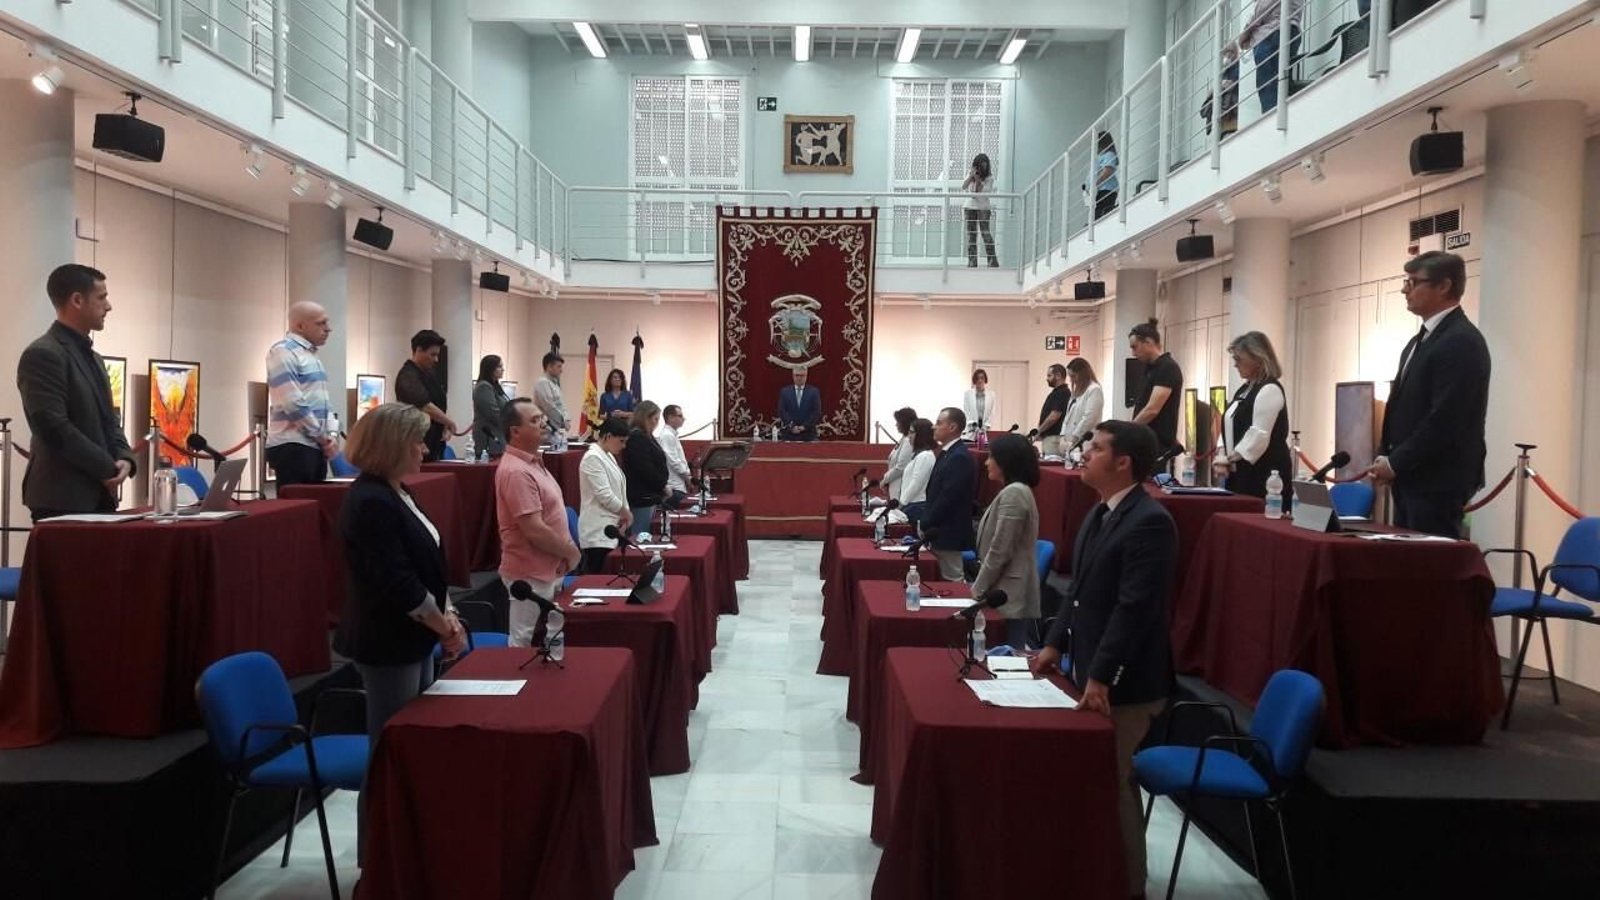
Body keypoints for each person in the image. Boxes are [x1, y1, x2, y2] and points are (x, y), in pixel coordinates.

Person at [1032, 421, 1177, 897]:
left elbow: (1134, 610)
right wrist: (1054, 643)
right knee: (1092, 780)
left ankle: (1127, 885)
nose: (1084, 455)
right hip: (1087, 667)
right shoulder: (1100, 513)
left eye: (1094, 449)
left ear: (1123, 463)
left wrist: (1101, 677)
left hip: (1126, 682)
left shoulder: (1150, 521)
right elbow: (1076, 593)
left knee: (1112, 783)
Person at [333, 403, 465, 866]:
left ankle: (408, 843)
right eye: (416, 440)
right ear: (391, 444)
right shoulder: (369, 500)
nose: (425, 447)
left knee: (411, 743)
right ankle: (379, 858)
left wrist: (447, 617)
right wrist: (441, 623)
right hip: (388, 640)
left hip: (416, 635)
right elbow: (396, 580)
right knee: (390, 748)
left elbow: (428, 567)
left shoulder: (399, 492)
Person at [1371, 251, 1490, 538]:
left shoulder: (1461, 340)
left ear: (1443, 286)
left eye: (1413, 282)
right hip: (1412, 477)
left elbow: (1445, 419)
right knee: (1410, 570)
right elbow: (1402, 407)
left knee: (1429, 573)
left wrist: (1396, 462)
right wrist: (1387, 457)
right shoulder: (1420, 340)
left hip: (1438, 481)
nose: (1404, 289)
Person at [17, 264, 137, 520]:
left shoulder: (95, 359)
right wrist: (107, 467)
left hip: (99, 496)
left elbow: (110, 419)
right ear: (77, 300)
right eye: (102, 297)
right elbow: (52, 426)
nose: (109, 306)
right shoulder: (43, 354)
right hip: (61, 498)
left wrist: (125, 457)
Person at [495, 398, 581, 647]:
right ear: (515, 432)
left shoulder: (532, 463)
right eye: (534, 420)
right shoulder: (516, 471)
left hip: (548, 567)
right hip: (529, 571)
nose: (544, 423)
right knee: (523, 641)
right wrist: (571, 552)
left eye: (541, 417)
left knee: (548, 639)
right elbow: (534, 530)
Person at [971, 434, 1042, 650]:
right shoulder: (1013, 490)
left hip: (1009, 590)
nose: (986, 462)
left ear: (1007, 461)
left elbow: (1000, 549)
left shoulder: (1015, 493)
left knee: (1009, 656)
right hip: (1003, 586)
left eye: (991, 457)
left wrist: (978, 588)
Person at [264, 301, 335, 487]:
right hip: (293, 446)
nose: (328, 329)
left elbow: (323, 401)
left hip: (313, 445)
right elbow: (293, 403)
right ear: (300, 326)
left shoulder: (311, 355)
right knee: (299, 508)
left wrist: (331, 435)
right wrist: (322, 437)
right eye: (321, 323)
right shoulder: (283, 352)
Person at [1215, 331, 1292, 501]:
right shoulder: (1244, 390)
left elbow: (1258, 436)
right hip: (1239, 471)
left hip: (1263, 475)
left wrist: (1228, 459)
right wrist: (1221, 456)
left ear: (1257, 359)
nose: (1235, 365)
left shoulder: (1269, 389)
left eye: (1239, 359)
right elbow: (1227, 427)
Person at [922, 407, 975, 581]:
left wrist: (928, 521)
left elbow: (948, 497)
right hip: (938, 529)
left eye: (938, 423)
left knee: (953, 580)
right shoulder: (947, 453)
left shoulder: (959, 456)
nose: (934, 427)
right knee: (940, 579)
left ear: (952, 427)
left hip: (948, 531)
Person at [1229, 0, 1306, 116]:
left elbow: (1264, 7)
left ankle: (1271, 119)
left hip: (1273, 33)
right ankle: (1276, 117)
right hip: (1287, 30)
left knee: (1267, 83)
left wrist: (1247, 30)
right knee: (1279, 81)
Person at [394, 329, 459, 462]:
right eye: (432, 354)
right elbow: (425, 405)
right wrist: (448, 421)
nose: (436, 359)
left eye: (437, 355)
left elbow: (438, 403)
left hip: (435, 441)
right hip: (417, 443)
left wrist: (444, 423)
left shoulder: (429, 373)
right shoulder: (408, 376)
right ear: (418, 350)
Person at [577, 417, 632, 573]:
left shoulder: (607, 455)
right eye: (621, 441)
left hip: (611, 527)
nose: (624, 446)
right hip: (597, 532)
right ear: (608, 436)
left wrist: (623, 516)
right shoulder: (593, 457)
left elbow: (619, 490)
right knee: (596, 581)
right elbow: (605, 495)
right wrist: (626, 513)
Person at [1130, 319, 1183, 459]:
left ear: (1148, 343)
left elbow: (1152, 409)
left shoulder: (1167, 367)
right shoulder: (1149, 369)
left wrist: (1128, 431)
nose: (1133, 353)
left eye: (1135, 347)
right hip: (1146, 440)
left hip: (1158, 444)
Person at [622, 401, 670, 536]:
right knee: (640, 535)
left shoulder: (647, 436)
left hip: (650, 493)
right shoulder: (637, 437)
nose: (657, 423)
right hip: (642, 494)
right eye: (655, 419)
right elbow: (645, 468)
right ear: (645, 418)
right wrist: (662, 485)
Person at [1058, 357, 1105, 455]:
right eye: (1070, 377)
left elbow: (1088, 418)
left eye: (1073, 376)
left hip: (1084, 440)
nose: (1072, 380)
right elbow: (1067, 417)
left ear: (1082, 375)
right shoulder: (1076, 392)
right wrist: (1062, 437)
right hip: (1069, 440)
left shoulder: (1094, 390)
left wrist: (1075, 438)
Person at [897, 418, 938, 526]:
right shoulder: (919, 455)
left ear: (921, 434)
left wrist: (901, 503)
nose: (908, 436)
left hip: (916, 506)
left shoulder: (925, 456)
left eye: (911, 432)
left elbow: (916, 484)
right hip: (911, 504)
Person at [962, 153, 999, 268]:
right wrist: (971, 176)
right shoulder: (971, 174)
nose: (982, 168)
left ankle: (992, 262)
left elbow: (984, 194)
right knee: (971, 235)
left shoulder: (989, 178)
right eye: (980, 165)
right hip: (970, 207)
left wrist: (979, 181)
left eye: (985, 165)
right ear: (976, 166)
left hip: (983, 208)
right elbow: (963, 186)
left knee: (985, 233)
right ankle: (972, 262)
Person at [471, 355, 509, 459]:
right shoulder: (484, 386)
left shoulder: (495, 386)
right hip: (488, 437)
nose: (503, 369)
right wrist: (512, 422)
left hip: (498, 435)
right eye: (499, 366)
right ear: (490, 368)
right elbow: (493, 413)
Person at [656, 404, 694, 502]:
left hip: (679, 484)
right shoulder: (667, 435)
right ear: (671, 418)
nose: (684, 419)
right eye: (680, 416)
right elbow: (674, 461)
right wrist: (687, 479)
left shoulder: (672, 435)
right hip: (674, 486)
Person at [880, 407, 918, 502]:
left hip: (900, 487)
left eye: (898, 422)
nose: (896, 424)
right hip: (894, 486)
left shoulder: (908, 442)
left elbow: (901, 467)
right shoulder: (903, 440)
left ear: (904, 423)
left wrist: (885, 479)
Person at [1036, 364, 1072, 457]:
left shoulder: (1062, 393)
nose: (1047, 378)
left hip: (1054, 438)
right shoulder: (1057, 392)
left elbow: (1054, 416)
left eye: (1049, 375)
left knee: (1051, 464)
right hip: (1050, 437)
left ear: (1058, 376)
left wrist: (1039, 431)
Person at [533, 351, 569, 442]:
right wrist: (564, 422)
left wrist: (567, 418)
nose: (561, 370)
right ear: (549, 366)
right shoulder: (542, 383)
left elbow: (561, 405)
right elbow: (549, 407)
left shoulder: (554, 384)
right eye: (559, 366)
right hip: (547, 429)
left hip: (556, 430)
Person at [778, 367, 822, 442]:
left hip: (809, 434)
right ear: (793, 376)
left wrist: (804, 427)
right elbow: (782, 411)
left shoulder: (814, 392)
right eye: (796, 375)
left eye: (802, 375)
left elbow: (816, 412)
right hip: (789, 433)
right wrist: (792, 426)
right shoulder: (785, 391)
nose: (799, 378)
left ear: (806, 376)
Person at [962, 369, 997, 439]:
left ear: (985, 380)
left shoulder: (992, 394)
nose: (980, 380)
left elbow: (992, 412)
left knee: (984, 446)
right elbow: (966, 411)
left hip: (985, 426)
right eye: (977, 378)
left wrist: (985, 426)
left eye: (982, 378)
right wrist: (973, 425)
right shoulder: (968, 394)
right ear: (974, 380)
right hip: (971, 427)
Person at [1094, 132, 1119, 220]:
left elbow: (1108, 170)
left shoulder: (1109, 155)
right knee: (1098, 213)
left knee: (1101, 213)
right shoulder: (1102, 156)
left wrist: (1096, 183)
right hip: (1101, 190)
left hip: (1107, 189)